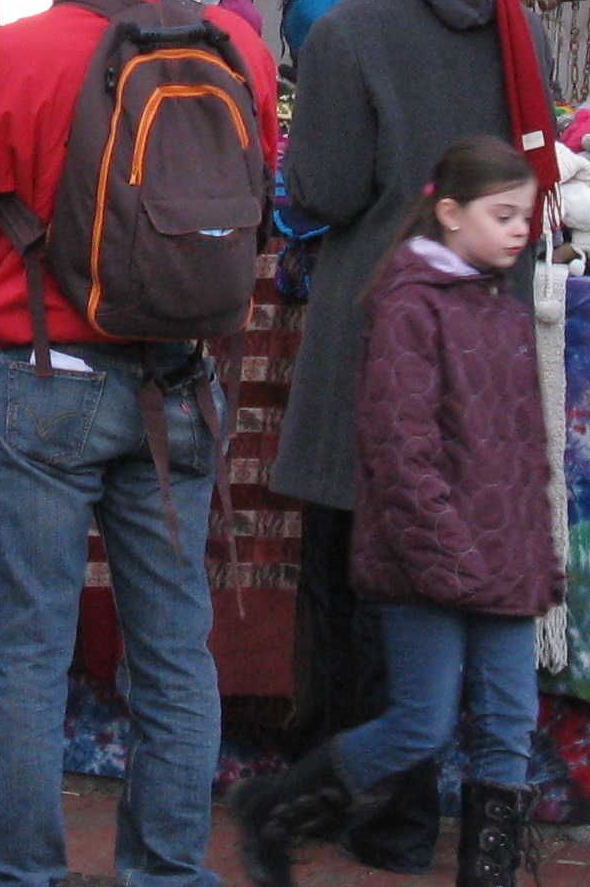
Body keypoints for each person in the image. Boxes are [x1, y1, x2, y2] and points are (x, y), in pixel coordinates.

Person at [0, 0, 280, 887]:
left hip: (48, 378)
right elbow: (258, 200)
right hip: (179, 381)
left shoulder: (11, 56)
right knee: (173, 649)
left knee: (31, 650)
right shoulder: (236, 50)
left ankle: (20, 873)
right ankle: (167, 873)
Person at [270, 0, 554, 870]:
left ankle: (372, 816)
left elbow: (320, 190)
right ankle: (468, 823)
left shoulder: (351, 30)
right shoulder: (512, 26)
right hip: (485, 331)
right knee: (460, 575)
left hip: (374, 321)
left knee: (362, 575)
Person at [232, 138, 560, 887]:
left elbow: (518, 452)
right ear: (448, 212)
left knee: (509, 725)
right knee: (421, 722)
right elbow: (399, 452)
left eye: (526, 215)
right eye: (502, 213)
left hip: (500, 561)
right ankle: (277, 809)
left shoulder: (499, 306)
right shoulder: (407, 305)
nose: (519, 229)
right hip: (424, 565)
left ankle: (490, 874)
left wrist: (525, 553)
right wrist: (452, 556)